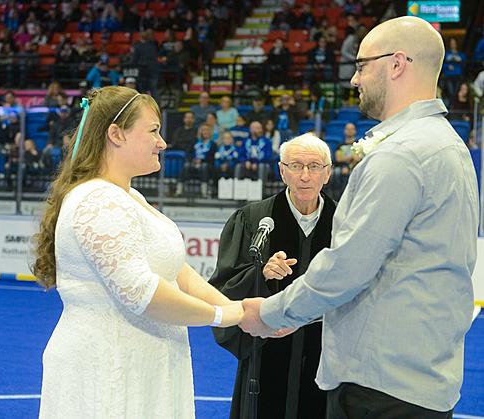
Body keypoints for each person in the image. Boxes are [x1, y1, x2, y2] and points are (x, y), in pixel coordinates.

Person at [239, 16, 479, 418]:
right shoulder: (445, 145)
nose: (354, 78)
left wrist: (270, 312)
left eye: (362, 64)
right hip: (418, 376)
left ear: (397, 64)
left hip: (380, 385)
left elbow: (348, 267)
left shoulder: (402, 154)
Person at [31, 86, 244, 419]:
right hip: (109, 367)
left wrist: (235, 308)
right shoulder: (99, 201)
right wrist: (224, 317)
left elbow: (176, 272)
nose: (162, 142)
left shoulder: (129, 198)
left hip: (139, 364)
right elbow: (141, 293)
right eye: (154, 131)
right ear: (116, 134)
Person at [211, 133, 335, 419]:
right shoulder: (254, 220)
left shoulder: (345, 224)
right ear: (282, 171)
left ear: (327, 174)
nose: (305, 175)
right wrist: (261, 274)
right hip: (266, 356)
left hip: (326, 357)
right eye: (296, 165)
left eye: (314, 166)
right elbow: (222, 291)